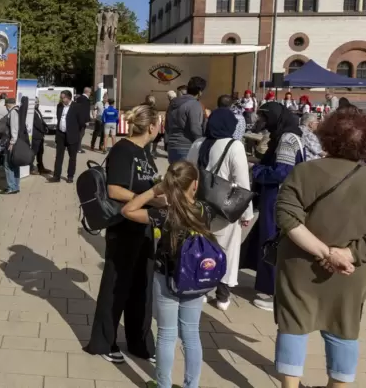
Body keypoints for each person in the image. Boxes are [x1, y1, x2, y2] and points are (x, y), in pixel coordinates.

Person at [273, 111, 366, 388]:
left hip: (299, 263)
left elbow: (286, 217)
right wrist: (346, 255)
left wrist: (325, 253)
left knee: (293, 325)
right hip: (350, 272)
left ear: (326, 137)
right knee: (344, 328)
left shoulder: (304, 171)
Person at [121, 161, 215, 388]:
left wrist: (155, 190)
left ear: (169, 185)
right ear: (195, 184)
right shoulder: (205, 210)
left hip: (167, 278)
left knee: (166, 335)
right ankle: (191, 385)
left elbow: (127, 210)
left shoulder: (162, 214)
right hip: (195, 280)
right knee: (191, 335)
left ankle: (163, 384)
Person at [84, 104, 161, 365]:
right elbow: (114, 190)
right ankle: (103, 342)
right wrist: (148, 199)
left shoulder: (146, 152)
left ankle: (140, 342)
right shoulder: (122, 149)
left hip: (146, 227)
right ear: (151, 126)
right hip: (123, 226)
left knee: (142, 286)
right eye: (158, 123)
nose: (159, 128)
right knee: (116, 286)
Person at [187, 109, 254, 311]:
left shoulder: (198, 143)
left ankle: (201, 289)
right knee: (227, 251)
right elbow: (243, 184)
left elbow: (188, 173)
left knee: (201, 247)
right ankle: (222, 295)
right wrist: (247, 214)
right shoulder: (235, 147)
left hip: (199, 206)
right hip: (225, 209)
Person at [243, 102, 305, 311]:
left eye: (265, 117)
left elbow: (282, 172)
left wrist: (256, 171)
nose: (263, 121)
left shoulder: (287, 138)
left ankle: (274, 291)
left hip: (278, 196)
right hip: (278, 195)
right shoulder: (286, 134)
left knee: (272, 241)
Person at [165, 76, 206, 163]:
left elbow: (167, 126)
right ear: (199, 91)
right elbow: (195, 129)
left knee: (175, 175)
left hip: (172, 146)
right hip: (187, 147)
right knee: (187, 175)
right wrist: (202, 144)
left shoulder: (173, 103)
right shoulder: (194, 104)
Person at [50, 90, 81, 183]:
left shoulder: (76, 107)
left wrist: (75, 131)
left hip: (72, 135)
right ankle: (56, 176)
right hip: (60, 134)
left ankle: (70, 176)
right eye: (61, 97)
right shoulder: (59, 106)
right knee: (59, 156)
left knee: (72, 157)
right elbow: (59, 117)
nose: (62, 99)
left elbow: (81, 121)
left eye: (63, 98)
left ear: (69, 97)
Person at [3, 98, 20, 194]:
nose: (6, 107)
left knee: (8, 165)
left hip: (13, 142)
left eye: (6, 105)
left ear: (9, 104)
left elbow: (14, 128)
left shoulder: (13, 112)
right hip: (18, 141)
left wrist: (12, 142)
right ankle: (16, 186)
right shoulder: (19, 110)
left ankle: (11, 187)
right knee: (15, 164)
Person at [31, 97, 49, 175]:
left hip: (40, 135)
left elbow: (41, 121)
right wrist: (43, 130)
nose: (37, 104)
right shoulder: (31, 112)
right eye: (36, 103)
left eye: (38, 102)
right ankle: (31, 168)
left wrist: (46, 126)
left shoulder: (37, 110)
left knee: (40, 152)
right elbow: (37, 124)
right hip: (35, 135)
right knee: (34, 153)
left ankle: (41, 168)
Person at [76, 87, 92, 154]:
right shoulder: (85, 100)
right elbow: (85, 111)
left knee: (79, 134)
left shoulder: (79, 98)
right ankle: (78, 148)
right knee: (81, 134)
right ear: (87, 92)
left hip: (78, 119)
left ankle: (77, 147)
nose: (90, 94)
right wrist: (87, 121)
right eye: (90, 92)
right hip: (82, 120)